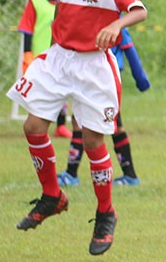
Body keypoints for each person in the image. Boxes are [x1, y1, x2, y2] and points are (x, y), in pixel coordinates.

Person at [6, 0, 147, 256]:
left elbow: (139, 10)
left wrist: (116, 24)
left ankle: (105, 212)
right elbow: (61, 6)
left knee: (95, 140)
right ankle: (53, 195)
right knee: (34, 126)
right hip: (59, 59)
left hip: (95, 66)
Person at [58, 27, 151, 187]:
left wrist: (141, 78)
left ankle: (72, 174)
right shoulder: (93, 17)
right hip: (89, 78)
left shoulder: (116, 22)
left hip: (105, 80)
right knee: (86, 122)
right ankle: (128, 175)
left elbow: (129, 50)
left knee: (101, 124)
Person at [15, 0, 72, 138]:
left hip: (61, 55)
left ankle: (61, 126)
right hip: (39, 57)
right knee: (39, 92)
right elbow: (27, 28)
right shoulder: (36, 1)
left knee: (62, 90)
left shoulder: (67, 2)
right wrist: (27, 54)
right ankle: (37, 122)